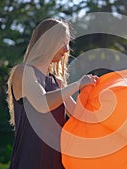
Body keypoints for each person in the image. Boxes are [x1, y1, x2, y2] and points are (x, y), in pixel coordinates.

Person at [6, 18, 98, 169]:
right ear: (49, 41)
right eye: (63, 42)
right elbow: (42, 103)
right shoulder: (23, 72)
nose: (67, 49)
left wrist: (93, 92)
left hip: (56, 162)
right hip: (29, 161)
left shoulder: (58, 83)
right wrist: (77, 85)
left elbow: (79, 115)